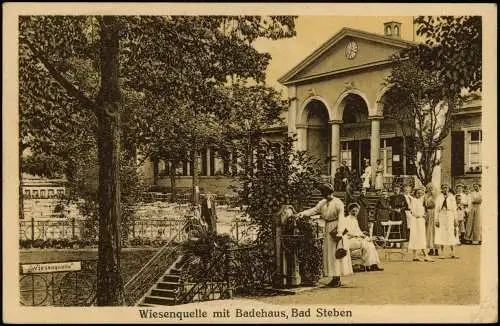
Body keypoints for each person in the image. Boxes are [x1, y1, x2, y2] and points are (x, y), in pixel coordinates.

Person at [297, 183, 352, 287]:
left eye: (326, 193)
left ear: (330, 192)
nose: (325, 196)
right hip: (328, 228)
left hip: (336, 228)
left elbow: (341, 217)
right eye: (324, 194)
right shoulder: (322, 202)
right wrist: (303, 213)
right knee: (329, 253)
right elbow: (314, 210)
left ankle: (337, 277)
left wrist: (339, 232)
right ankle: (333, 277)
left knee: (336, 253)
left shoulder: (338, 203)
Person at [344, 203, 384, 272]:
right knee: (366, 244)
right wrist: (358, 236)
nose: (355, 213)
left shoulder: (355, 220)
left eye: (356, 211)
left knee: (370, 243)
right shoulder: (346, 220)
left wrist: (363, 235)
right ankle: (367, 265)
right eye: (353, 211)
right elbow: (347, 232)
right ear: (349, 211)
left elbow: (358, 231)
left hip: (357, 239)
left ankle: (373, 264)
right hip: (349, 240)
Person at [434, 184, 460, 258]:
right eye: (443, 188)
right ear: (441, 189)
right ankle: (442, 253)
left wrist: (455, 219)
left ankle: (452, 252)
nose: (445, 189)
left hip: (450, 215)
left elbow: (454, 209)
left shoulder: (451, 197)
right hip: (442, 215)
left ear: (448, 189)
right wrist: (436, 219)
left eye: (446, 188)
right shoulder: (439, 197)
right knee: (441, 233)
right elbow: (436, 209)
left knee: (451, 232)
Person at [409, 187, 433, 262]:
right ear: (415, 193)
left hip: (421, 221)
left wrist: (424, 215)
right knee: (416, 237)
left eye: (421, 193)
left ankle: (417, 255)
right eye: (418, 193)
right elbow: (413, 212)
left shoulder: (421, 201)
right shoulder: (413, 200)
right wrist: (421, 216)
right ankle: (423, 255)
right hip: (416, 221)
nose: (419, 194)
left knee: (421, 237)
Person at [424, 183, 438, 256]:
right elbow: (424, 205)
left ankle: (436, 249)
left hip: (434, 213)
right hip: (428, 214)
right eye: (428, 188)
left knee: (435, 231)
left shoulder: (436, 196)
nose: (430, 189)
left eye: (431, 188)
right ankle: (431, 249)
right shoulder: (425, 196)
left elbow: (437, 205)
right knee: (429, 231)